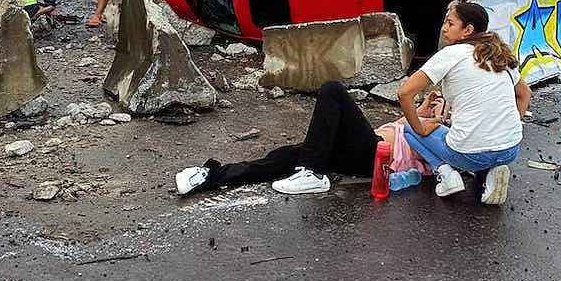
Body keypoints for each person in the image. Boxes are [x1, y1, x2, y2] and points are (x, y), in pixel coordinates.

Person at [175, 81, 436, 197]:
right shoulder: (418, 123)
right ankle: (212, 176)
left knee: (333, 90)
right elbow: (398, 130)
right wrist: (419, 113)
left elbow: (438, 159)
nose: (437, 106)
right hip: (358, 151)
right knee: (283, 157)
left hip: (374, 159)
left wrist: (435, 123)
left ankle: (312, 173)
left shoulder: (441, 136)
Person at [398, 0, 531, 204]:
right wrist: (509, 125)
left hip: (470, 154)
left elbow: (405, 93)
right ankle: (490, 173)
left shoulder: (451, 53)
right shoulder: (500, 54)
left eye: (450, 24)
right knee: (476, 142)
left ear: (468, 29)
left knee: (408, 129)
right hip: (510, 149)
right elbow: (525, 94)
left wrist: (421, 128)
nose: (444, 29)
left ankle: (447, 174)